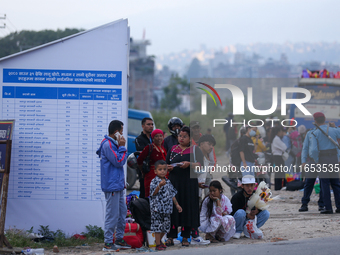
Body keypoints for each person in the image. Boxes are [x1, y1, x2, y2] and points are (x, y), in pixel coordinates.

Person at [165, 126, 209, 246]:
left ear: (190, 138)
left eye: (184, 136)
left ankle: (185, 237)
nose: (181, 138)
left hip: (189, 184)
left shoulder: (195, 149)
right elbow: (166, 164)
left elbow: (201, 166)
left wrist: (189, 164)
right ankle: (170, 236)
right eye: (180, 136)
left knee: (187, 208)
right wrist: (168, 168)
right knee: (173, 208)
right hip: (174, 183)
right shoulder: (172, 148)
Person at [96, 120, 131, 251]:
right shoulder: (108, 144)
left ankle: (120, 239)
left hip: (118, 186)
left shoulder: (114, 144)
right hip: (111, 186)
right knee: (112, 214)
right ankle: (108, 242)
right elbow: (118, 161)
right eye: (121, 131)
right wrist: (123, 147)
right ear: (116, 132)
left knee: (122, 213)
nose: (122, 135)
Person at [310, 112, 340, 214]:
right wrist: (335, 127)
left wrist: (316, 160)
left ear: (315, 120)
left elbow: (313, 150)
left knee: (325, 184)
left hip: (322, 159)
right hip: (334, 158)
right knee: (336, 183)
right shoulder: (334, 130)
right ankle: (339, 206)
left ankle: (328, 207)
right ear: (325, 118)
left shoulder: (315, 133)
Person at [149, 160, 182, 251]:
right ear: (155, 171)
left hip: (167, 208)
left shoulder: (168, 181)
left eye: (164, 169)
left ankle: (158, 241)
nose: (162, 171)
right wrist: (159, 186)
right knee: (158, 226)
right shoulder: (154, 181)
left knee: (166, 226)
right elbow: (153, 193)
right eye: (160, 169)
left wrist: (177, 205)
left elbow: (172, 194)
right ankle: (158, 244)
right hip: (157, 208)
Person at [298, 127, 324, 212]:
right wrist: (303, 161)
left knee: (323, 183)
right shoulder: (310, 133)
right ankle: (305, 203)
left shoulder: (326, 132)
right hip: (312, 161)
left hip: (323, 161)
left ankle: (321, 204)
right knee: (309, 183)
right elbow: (305, 148)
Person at [137, 129, 167, 197]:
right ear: (153, 138)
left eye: (160, 136)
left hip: (163, 176)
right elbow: (139, 160)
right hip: (151, 176)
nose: (159, 138)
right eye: (156, 136)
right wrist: (142, 170)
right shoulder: (149, 148)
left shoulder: (163, 149)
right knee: (152, 195)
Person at [135, 117, 154, 198]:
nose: (151, 126)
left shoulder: (154, 138)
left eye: (152, 124)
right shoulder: (139, 139)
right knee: (144, 194)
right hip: (144, 171)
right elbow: (144, 154)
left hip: (155, 170)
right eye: (148, 124)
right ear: (143, 126)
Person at [197, 134, 216, 198]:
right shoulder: (194, 157)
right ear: (201, 144)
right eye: (209, 144)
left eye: (212, 145)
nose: (211, 147)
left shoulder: (205, 160)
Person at [270, 126, 287, 190]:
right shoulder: (276, 139)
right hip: (278, 156)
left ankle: (278, 186)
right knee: (279, 172)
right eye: (280, 131)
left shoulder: (275, 138)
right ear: (278, 132)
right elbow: (284, 147)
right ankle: (278, 186)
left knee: (279, 171)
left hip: (277, 156)